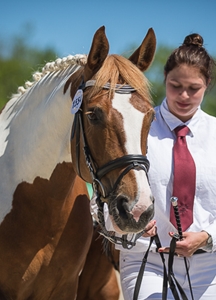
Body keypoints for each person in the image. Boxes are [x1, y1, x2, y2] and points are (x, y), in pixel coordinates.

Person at [91, 33, 216, 299]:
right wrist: (123, 224)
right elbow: (100, 199)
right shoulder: (135, 127)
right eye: (175, 85)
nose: (183, 95)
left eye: (194, 88)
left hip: (211, 266)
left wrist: (206, 237)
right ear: (164, 79)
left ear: (207, 85)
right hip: (146, 260)